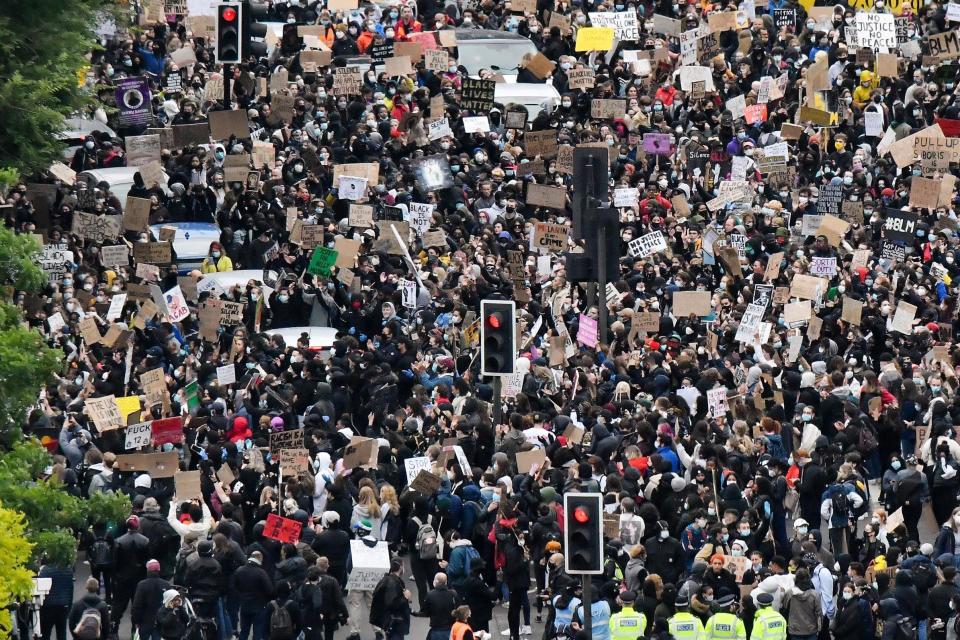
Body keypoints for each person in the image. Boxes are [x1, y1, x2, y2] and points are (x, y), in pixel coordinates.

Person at [130, 559, 171, 640]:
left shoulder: (142, 585)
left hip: (145, 621)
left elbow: (137, 605)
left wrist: (136, 620)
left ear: (148, 570)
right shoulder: (166, 585)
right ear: (159, 570)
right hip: (161, 621)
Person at [422, 572, 459, 640]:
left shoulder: (430, 595)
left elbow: (425, 612)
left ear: (436, 581)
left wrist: (412, 612)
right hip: (451, 629)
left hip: (437, 631)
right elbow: (458, 608)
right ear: (446, 582)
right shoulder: (453, 594)